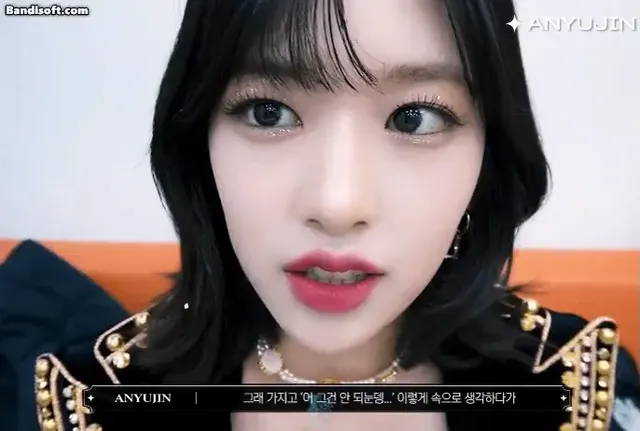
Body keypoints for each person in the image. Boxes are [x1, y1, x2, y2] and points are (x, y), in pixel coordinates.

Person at [1, 0, 638, 430]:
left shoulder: (566, 385)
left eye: (414, 117)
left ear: (488, 159)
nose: (337, 205)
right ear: (197, 147)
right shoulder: (100, 401)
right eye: (268, 112)